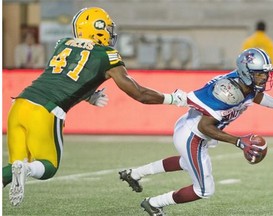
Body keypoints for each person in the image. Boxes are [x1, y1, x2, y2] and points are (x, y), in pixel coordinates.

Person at [2, 7, 187, 207]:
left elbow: (62, 77)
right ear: (96, 28)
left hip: (19, 104)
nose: (110, 33)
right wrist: (173, 99)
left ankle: (20, 168)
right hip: (45, 110)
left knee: (12, 167)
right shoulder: (107, 54)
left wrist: (88, 96)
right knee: (48, 167)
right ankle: (27, 170)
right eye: (107, 28)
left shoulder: (62, 44)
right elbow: (139, 93)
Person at [119, 48, 273, 216]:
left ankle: (134, 174)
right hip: (193, 135)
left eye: (265, 73)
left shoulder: (245, 83)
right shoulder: (229, 92)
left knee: (187, 163)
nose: (264, 77)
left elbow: (256, 96)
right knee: (204, 190)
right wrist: (238, 141)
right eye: (259, 73)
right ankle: (154, 203)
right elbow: (205, 127)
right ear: (246, 72)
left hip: (190, 126)